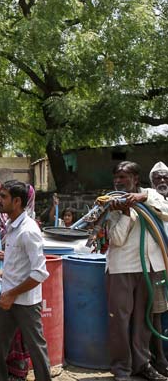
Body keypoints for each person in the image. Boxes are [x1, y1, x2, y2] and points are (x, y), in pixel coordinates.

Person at [0, 180, 51, 381]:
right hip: (7, 297)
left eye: (3, 197)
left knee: (36, 348)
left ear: (17, 201)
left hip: (25, 302)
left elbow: (39, 273)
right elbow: (15, 266)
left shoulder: (29, 231)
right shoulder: (11, 225)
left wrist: (12, 294)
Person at [106, 161, 168, 381]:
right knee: (120, 320)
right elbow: (116, 239)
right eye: (116, 177)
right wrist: (124, 213)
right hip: (122, 267)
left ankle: (143, 365)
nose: (119, 181)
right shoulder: (113, 203)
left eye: (123, 177)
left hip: (150, 266)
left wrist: (142, 199)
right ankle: (121, 369)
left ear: (135, 179)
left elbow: (166, 213)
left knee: (145, 320)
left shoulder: (152, 194)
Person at [150, 161, 168, 377]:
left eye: (165, 177)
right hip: (156, 265)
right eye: (158, 178)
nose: (162, 181)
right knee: (157, 310)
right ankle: (159, 356)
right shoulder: (148, 202)